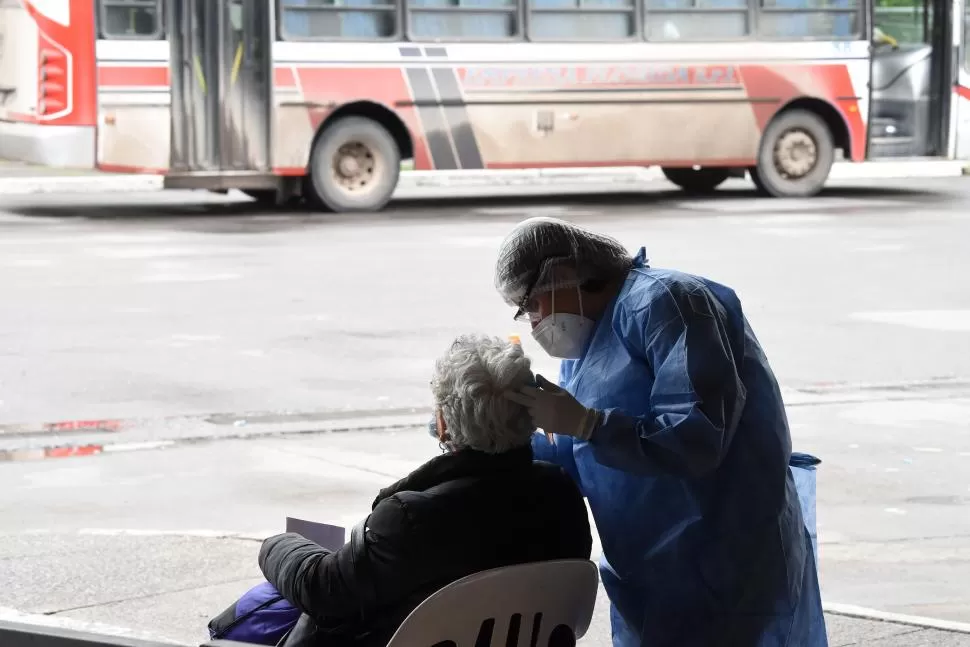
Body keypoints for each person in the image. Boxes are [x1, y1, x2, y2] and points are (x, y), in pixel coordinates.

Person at [497, 218, 827, 647]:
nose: (534, 321)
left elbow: (698, 439)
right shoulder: (586, 349)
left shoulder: (669, 304)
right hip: (651, 569)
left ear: (560, 275)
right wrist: (508, 441)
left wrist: (586, 423)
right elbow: (588, 456)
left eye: (531, 304)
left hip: (722, 555)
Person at [259, 334, 593, 647]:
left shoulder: (411, 518)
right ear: (530, 414)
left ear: (444, 424)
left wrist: (277, 544)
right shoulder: (560, 493)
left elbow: (322, 589)